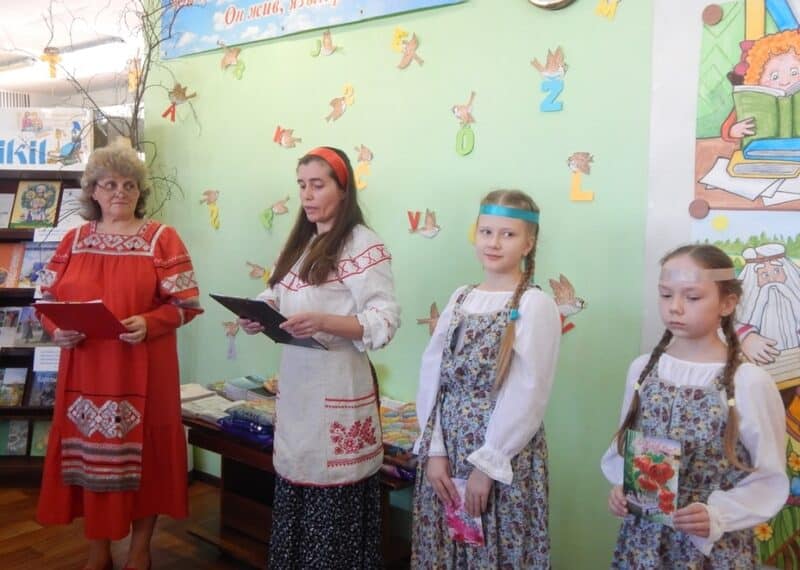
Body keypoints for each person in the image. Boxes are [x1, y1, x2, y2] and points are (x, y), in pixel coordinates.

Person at [35, 141, 203, 570]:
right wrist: (57, 330)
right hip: (84, 372)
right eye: (109, 184)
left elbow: (185, 305)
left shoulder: (162, 239)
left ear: (139, 191)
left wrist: (150, 322)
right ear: (93, 191)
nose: (120, 192)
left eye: (129, 185)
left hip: (145, 371)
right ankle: (99, 550)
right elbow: (46, 299)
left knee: (147, 461)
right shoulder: (73, 240)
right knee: (90, 459)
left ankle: (140, 549)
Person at [239, 146, 400, 569]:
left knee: (334, 498)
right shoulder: (300, 242)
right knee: (297, 481)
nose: (307, 196)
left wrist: (325, 321)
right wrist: (258, 313)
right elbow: (275, 293)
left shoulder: (363, 245)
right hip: (299, 386)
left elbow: (384, 320)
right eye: (301, 186)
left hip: (339, 384)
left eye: (317, 185)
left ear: (343, 190)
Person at [602, 244, 788, 568]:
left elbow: (769, 477)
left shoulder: (748, 382)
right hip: (644, 542)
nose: (674, 307)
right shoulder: (644, 369)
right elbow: (627, 447)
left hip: (712, 548)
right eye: (665, 294)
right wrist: (625, 487)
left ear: (727, 303)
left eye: (692, 297)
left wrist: (718, 514)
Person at [412, 189, 561, 568]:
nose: (494, 243)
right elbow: (432, 375)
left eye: (508, 234)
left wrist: (488, 465)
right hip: (448, 449)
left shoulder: (534, 305)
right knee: (445, 548)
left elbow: (529, 392)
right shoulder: (461, 298)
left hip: (500, 456)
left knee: (493, 550)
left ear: (528, 243)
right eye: (486, 232)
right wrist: (435, 450)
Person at [721, 30, 800, 141]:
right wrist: (733, 131)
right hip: (762, 147)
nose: (785, 81)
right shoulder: (752, 101)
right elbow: (728, 127)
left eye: (794, 72)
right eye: (774, 76)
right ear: (757, 79)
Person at [737, 243, 800, 364]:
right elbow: (732, 327)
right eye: (764, 275)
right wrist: (746, 337)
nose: (772, 280)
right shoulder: (743, 309)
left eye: (777, 271)